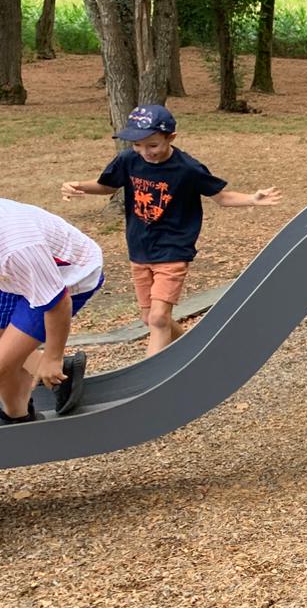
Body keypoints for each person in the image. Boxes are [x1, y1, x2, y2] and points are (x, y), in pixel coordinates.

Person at [61, 105, 282, 356]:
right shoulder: (128, 160)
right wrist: (79, 186)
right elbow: (108, 186)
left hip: (173, 249)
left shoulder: (187, 168)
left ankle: (148, 375)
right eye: (137, 145)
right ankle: (195, 351)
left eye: (153, 145)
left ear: (171, 138)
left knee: (158, 318)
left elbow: (221, 197)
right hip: (139, 249)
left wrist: (253, 199)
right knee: (149, 318)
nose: (145, 152)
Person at [0, 199, 104, 422]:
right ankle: (20, 411)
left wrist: (53, 356)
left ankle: (20, 419)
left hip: (69, 277)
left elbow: (58, 303)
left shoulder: (18, 247)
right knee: (6, 351)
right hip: (16, 277)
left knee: (2, 363)